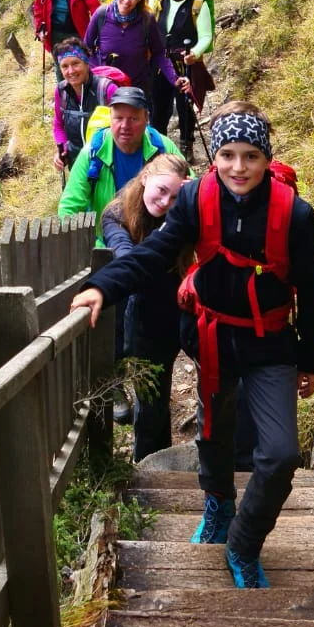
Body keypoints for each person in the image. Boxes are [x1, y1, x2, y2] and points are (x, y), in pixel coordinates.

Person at [70, 104, 314, 590]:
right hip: (210, 335)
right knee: (214, 433)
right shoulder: (196, 201)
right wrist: (104, 287)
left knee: (278, 455)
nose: (238, 167)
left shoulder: (295, 215)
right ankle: (218, 505)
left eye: (250, 156)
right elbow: (154, 255)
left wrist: (312, 358)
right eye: (228, 155)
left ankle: (244, 543)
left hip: (271, 343)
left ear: (266, 158)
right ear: (215, 159)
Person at [101, 153, 190, 460]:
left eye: (176, 195)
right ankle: (151, 463)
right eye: (161, 190)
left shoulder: (190, 210)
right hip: (148, 314)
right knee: (151, 395)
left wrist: (197, 197)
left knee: (221, 383)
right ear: (144, 178)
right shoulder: (117, 214)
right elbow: (127, 258)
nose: (166, 201)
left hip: (190, 308)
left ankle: (224, 455)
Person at [58, 85, 179, 230]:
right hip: (105, 244)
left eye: (133, 119)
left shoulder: (162, 148)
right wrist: (88, 246)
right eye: (118, 118)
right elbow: (70, 207)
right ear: (110, 117)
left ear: (146, 118)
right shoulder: (92, 153)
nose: (125, 126)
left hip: (155, 241)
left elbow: (190, 190)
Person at [146, 0, 214, 159]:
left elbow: (205, 36)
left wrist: (195, 53)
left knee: (185, 104)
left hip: (184, 62)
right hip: (158, 61)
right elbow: (147, 22)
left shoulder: (197, 3)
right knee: (157, 104)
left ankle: (187, 143)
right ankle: (159, 144)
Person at [84, 0, 191, 100]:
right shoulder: (102, 14)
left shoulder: (146, 20)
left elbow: (159, 53)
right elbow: (86, 49)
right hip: (105, 86)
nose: (127, 0)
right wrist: (97, 74)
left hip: (136, 86)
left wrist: (175, 78)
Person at [51, 41, 124, 180]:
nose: (70, 71)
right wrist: (63, 150)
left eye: (75, 63)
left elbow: (127, 124)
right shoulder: (61, 91)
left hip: (110, 164)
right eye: (65, 66)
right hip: (78, 163)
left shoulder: (107, 89)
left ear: (86, 63)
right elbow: (58, 125)